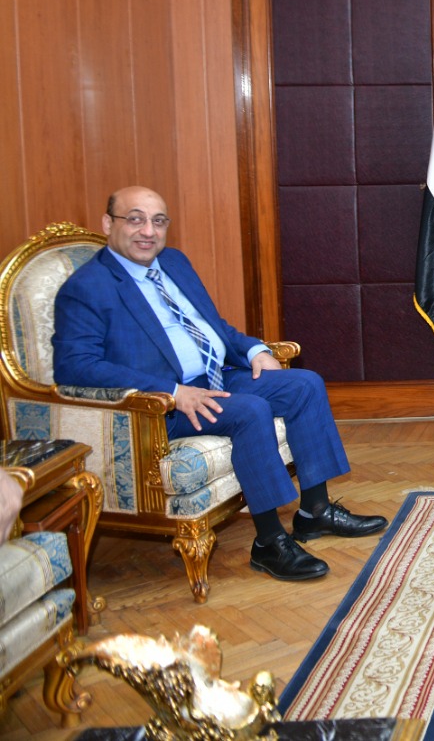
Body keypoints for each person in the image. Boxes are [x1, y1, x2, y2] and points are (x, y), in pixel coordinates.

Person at [52, 187, 387, 581]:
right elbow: (76, 366)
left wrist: (254, 350)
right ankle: (269, 542)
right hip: (160, 406)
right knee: (251, 410)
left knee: (304, 384)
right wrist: (173, 393)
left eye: (158, 221)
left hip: (215, 378)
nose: (149, 231)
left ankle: (315, 512)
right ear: (109, 224)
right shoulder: (87, 287)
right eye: (136, 219)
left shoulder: (173, 262)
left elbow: (212, 328)